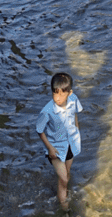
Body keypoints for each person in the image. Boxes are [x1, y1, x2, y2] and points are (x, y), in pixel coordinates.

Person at [37, 72, 83, 214]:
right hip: (56, 149)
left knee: (66, 174)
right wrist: (50, 148)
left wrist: (77, 130)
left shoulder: (74, 100)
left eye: (62, 94)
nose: (58, 98)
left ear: (70, 93)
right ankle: (65, 208)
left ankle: (63, 192)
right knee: (63, 178)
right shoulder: (47, 111)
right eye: (55, 93)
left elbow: (75, 113)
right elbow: (39, 130)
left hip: (71, 144)